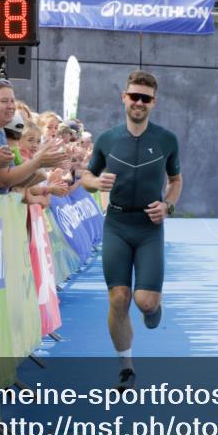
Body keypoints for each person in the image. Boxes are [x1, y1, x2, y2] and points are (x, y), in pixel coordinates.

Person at [81, 71, 183, 390]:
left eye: (145, 98)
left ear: (154, 102)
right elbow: (86, 176)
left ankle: (154, 307)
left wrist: (168, 206)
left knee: (145, 303)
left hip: (149, 227)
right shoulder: (107, 139)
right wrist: (96, 182)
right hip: (117, 224)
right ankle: (126, 366)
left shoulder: (166, 139)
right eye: (134, 96)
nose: (139, 103)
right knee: (118, 298)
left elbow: (176, 180)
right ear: (124, 98)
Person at [0, 78, 65, 198]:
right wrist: (38, 162)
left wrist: (38, 160)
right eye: (4, 101)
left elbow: (10, 182)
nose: (11, 106)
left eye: (12, 101)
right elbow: (1, 181)